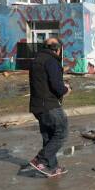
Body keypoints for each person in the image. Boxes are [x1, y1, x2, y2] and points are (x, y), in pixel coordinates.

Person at [28, 37, 71, 177]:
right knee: (62, 132)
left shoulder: (36, 60)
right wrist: (65, 89)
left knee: (48, 136)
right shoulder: (51, 61)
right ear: (58, 49)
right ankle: (40, 159)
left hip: (37, 106)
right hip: (49, 105)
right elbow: (56, 85)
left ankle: (52, 167)